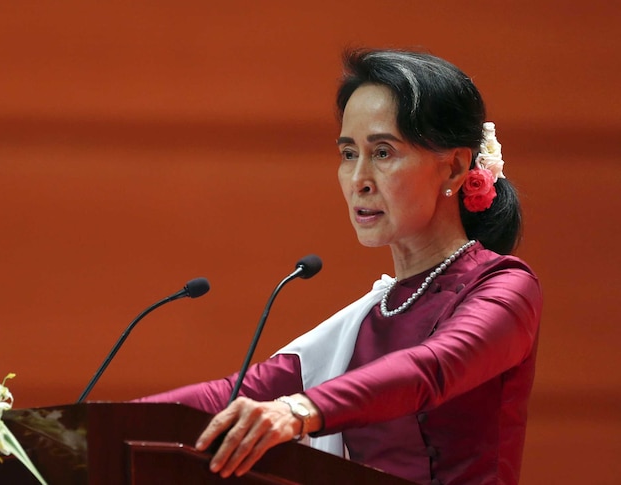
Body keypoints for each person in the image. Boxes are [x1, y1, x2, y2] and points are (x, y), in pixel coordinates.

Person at [135, 48, 542, 485]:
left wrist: (300, 409)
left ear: (457, 167)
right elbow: (230, 396)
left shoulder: (504, 288)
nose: (359, 179)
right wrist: (78, 424)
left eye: (383, 152)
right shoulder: (368, 319)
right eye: (349, 154)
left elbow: (430, 368)